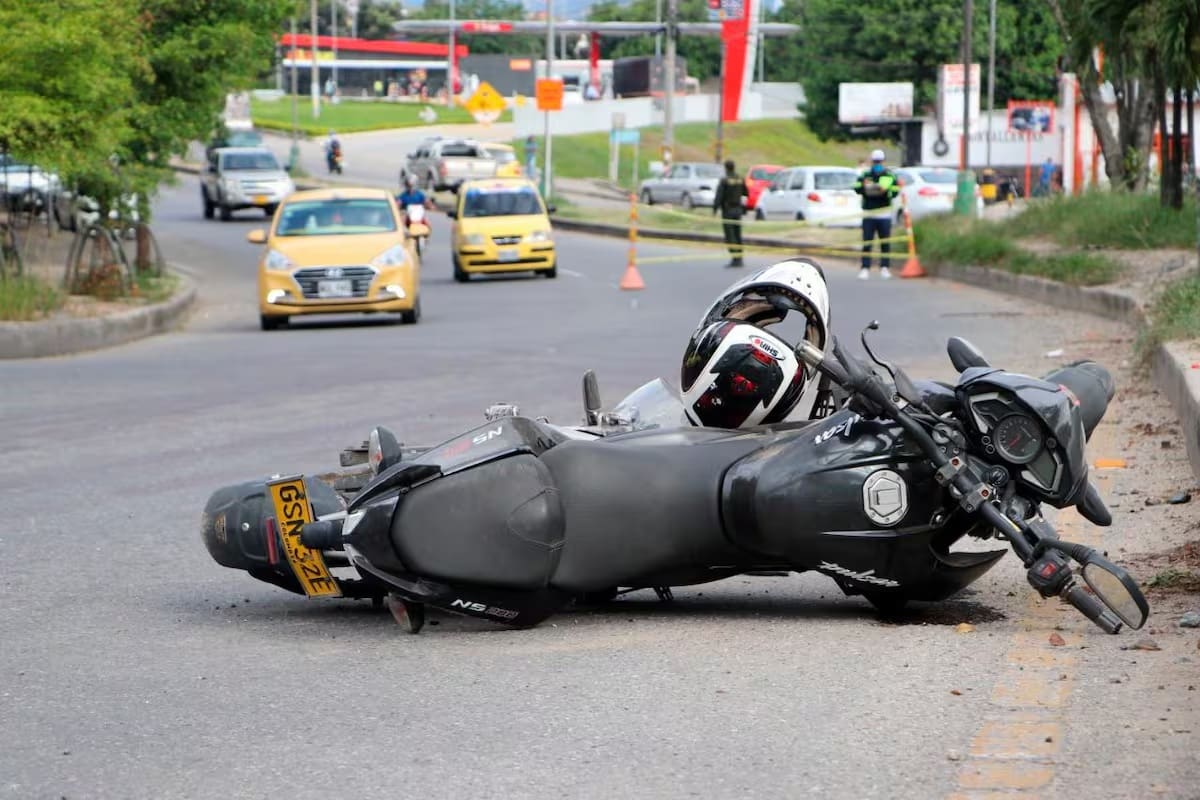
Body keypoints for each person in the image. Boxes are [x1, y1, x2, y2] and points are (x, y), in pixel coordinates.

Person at [853, 149, 900, 280]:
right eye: (875, 161)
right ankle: (865, 268)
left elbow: (896, 191)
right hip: (869, 213)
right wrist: (865, 188)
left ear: (883, 161)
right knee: (867, 242)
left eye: (879, 161)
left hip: (884, 213)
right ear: (871, 161)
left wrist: (886, 191)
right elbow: (856, 188)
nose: (877, 163)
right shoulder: (866, 175)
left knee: (885, 242)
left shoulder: (889, 175)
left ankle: (885, 267)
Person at [713, 159, 748, 267]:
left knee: (730, 235)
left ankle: (735, 258)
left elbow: (719, 196)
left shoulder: (725, 180)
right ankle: (740, 257)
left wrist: (715, 208)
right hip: (738, 210)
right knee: (738, 234)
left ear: (726, 168)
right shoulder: (740, 179)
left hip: (728, 211)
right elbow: (746, 193)